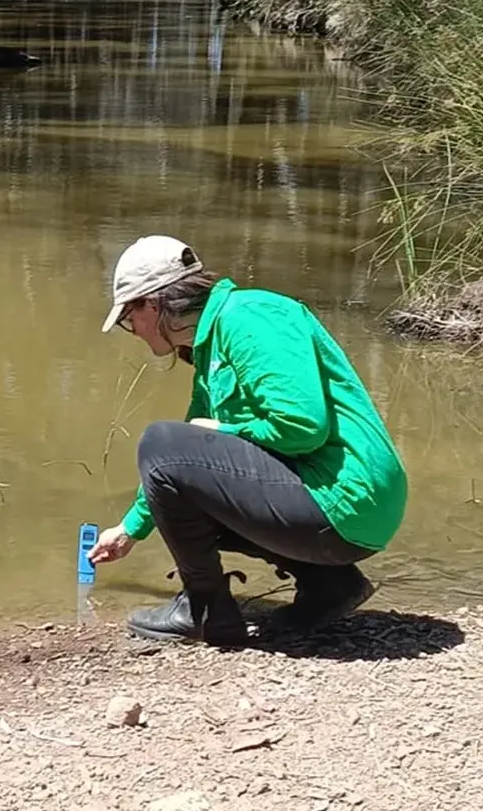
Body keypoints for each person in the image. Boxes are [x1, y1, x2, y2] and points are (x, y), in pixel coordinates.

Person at [85, 235, 407, 647]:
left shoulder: (251, 317)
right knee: (176, 460)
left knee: (158, 440)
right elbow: (186, 471)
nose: (132, 332)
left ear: (152, 303)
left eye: (130, 319)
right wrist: (130, 529)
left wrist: (223, 432)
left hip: (346, 501)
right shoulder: (211, 346)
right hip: (339, 509)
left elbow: (304, 427)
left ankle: (203, 610)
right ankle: (332, 587)